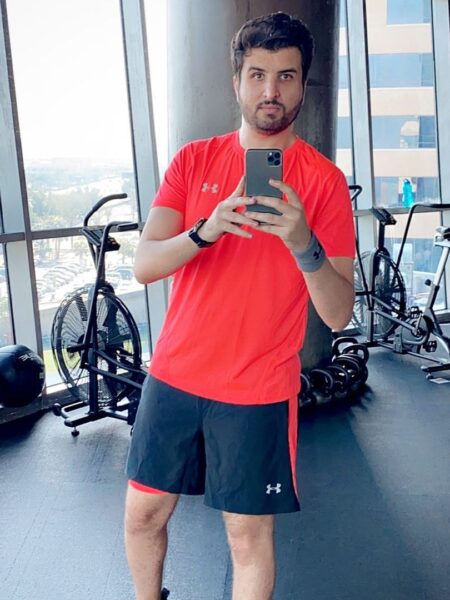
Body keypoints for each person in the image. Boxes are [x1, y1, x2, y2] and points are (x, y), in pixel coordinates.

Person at [124, 12, 355, 600]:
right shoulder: (193, 161)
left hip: (257, 388)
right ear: (237, 82)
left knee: (247, 539)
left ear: (303, 86)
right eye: (257, 75)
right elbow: (145, 264)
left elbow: (338, 314)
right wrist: (205, 231)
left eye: (286, 76)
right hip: (175, 374)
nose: (270, 91)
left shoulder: (324, 183)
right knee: (142, 516)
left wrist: (304, 243)